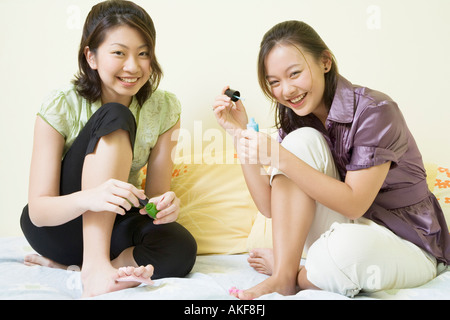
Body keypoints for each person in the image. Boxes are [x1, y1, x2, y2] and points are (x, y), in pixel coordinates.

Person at [213, 20, 449, 299]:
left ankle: (292, 272)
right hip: (349, 230)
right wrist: (239, 134)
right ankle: (285, 277)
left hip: (409, 243)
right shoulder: (297, 122)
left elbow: (354, 204)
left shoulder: (376, 111)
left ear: (325, 62)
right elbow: (269, 206)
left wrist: (280, 156)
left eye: (295, 73)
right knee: (301, 142)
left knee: (346, 249)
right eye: (274, 82)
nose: (286, 91)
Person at [20, 0, 197, 298]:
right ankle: (94, 266)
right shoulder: (60, 105)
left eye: (143, 54)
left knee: (181, 246)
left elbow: (151, 199)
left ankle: (93, 270)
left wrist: (165, 207)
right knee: (115, 114)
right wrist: (91, 197)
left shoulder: (165, 108)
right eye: (119, 53)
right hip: (60, 226)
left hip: (115, 222)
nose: (133, 66)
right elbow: (38, 211)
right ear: (91, 56)